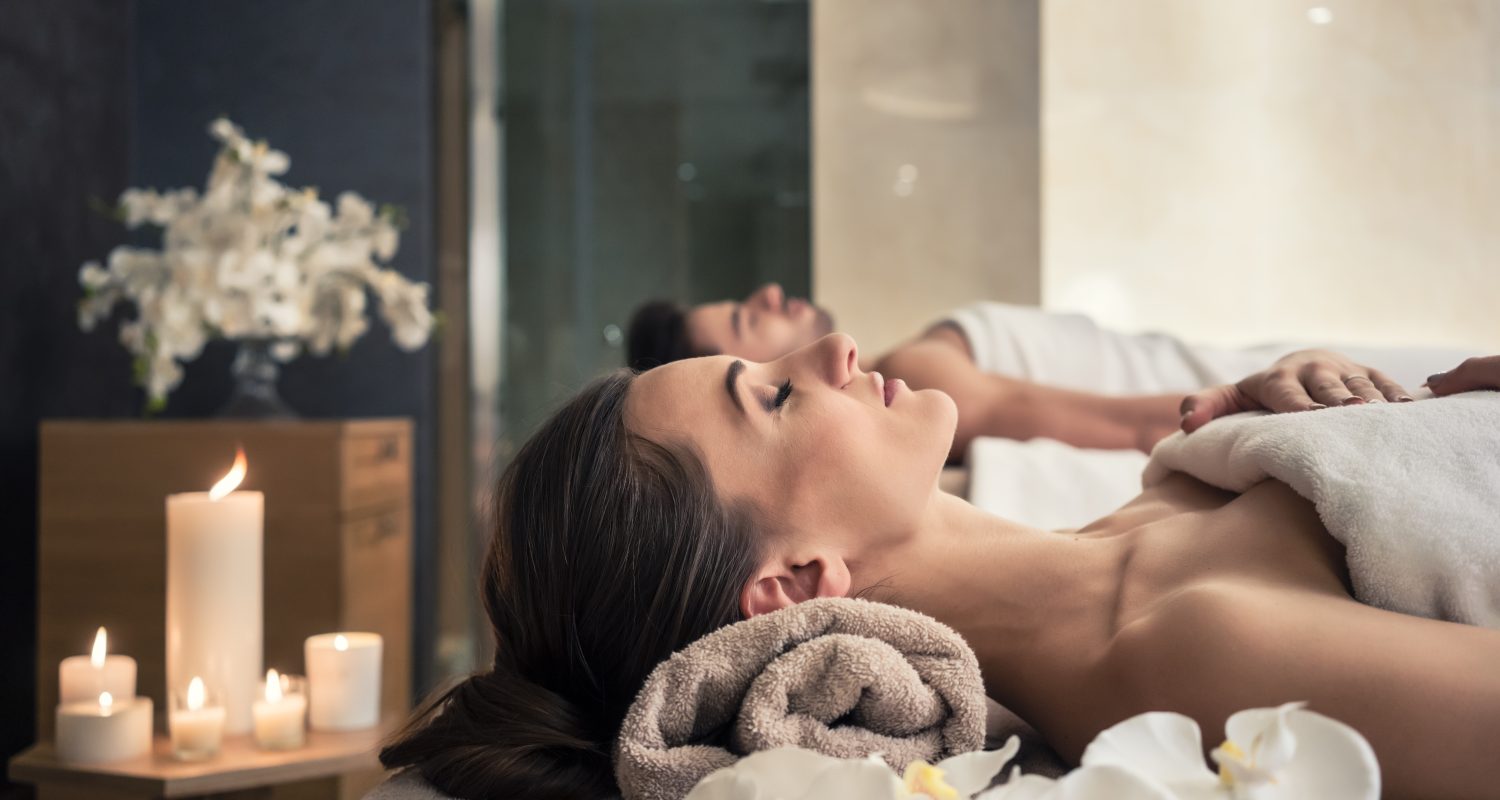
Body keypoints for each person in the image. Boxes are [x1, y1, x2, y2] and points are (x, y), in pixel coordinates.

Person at [381, 344, 1500, 800]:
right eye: (773, 396)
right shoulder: (1183, 642)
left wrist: (1372, 408)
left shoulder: (1140, 518)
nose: (830, 351)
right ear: (791, 580)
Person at [626, 285, 1453, 460]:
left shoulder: (911, 362)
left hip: (1279, 373)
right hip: (1300, 398)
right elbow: (1130, 424)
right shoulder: (918, 377)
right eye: (746, 322)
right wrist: (1269, 399)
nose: (769, 295)